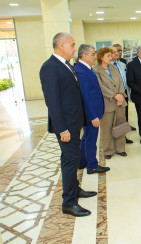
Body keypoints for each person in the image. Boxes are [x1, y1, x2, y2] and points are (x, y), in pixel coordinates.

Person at [40, 32, 96, 217]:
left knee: (71, 157)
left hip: (74, 122)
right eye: (72, 45)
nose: (74, 48)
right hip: (66, 125)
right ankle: (69, 202)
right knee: (71, 160)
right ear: (61, 45)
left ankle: (75, 188)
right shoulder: (50, 67)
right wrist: (62, 128)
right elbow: (53, 102)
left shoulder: (66, 65)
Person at [75, 44, 110, 174]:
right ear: (84, 56)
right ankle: (92, 165)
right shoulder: (81, 71)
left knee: (86, 137)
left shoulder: (86, 68)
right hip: (91, 113)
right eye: (93, 54)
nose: (95, 57)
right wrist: (92, 116)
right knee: (91, 139)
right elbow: (85, 96)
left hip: (92, 111)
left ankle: (83, 161)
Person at [93, 47, 128, 159]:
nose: (111, 57)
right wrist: (114, 95)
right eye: (108, 55)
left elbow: (121, 82)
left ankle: (120, 148)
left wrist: (121, 95)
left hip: (120, 102)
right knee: (107, 128)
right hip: (107, 103)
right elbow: (100, 87)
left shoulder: (113, 68)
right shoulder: (96, 70)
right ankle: (108, 151)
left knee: (120, 125)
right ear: (101, 57)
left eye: (111, 55)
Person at [111, 45, 134, 144]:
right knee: (115, 119)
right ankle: (114, 140)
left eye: (119, 51)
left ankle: (123, 137)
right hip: (114, 96)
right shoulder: (107, 66)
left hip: (124, 93)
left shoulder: (122, 64)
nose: (118, 53)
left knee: (124, 116)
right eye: (115, 51)